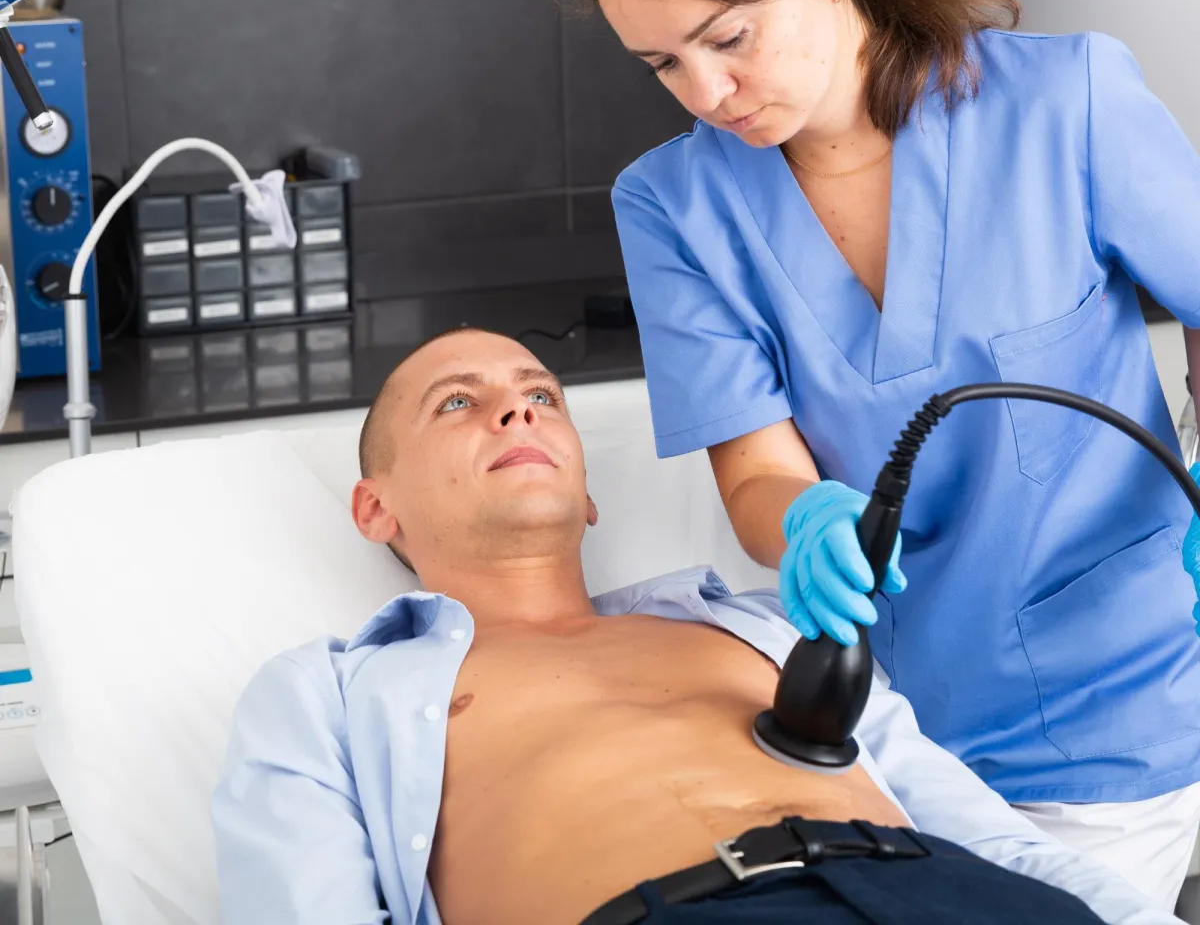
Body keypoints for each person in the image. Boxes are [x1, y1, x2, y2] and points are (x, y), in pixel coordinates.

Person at [565, 0, 1200, 907]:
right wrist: (803, 519)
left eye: (728, 38)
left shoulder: (1067, 101)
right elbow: (758, 469)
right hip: (891, 745)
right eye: (661, 65)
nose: (708, 94)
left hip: (1126, 715)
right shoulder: (671, 206)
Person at [211, 327, 1182, 924]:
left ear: (588, 496)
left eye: (540, 395)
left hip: (948, 897)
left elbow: (989, 838)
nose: (516, 413)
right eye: (458, 404)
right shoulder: (328, 692)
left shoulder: (758, 627)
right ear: (374, 509)